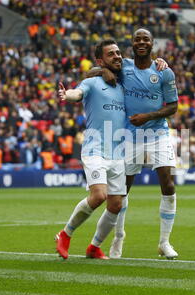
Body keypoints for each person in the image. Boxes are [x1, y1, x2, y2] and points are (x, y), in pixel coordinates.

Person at [92, 28, 179, 259]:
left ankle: (164, 242)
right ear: (132, 44)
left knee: (168, 184)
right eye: (137, 39)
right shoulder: (125, 67)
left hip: (157, 133)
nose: (141, 42)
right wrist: (103, 69)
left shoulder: (164, 71)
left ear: (152, 44)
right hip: (130, 136)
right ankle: (119, 237)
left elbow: (173, 107)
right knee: (122, 191)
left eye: (146, 39)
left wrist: (148, 117)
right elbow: (89, 73)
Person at [54, 39, 127, 260]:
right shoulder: (94, 82)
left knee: (116, 204)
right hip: (95, 148)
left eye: (118, 52)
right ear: (100, 60)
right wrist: (68, 95)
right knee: (99, 195)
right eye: (110, 54)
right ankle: (65, 234)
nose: (116, 56)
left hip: (118, 153)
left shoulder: (124, 85)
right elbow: (78, 92)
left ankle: (94, 247)